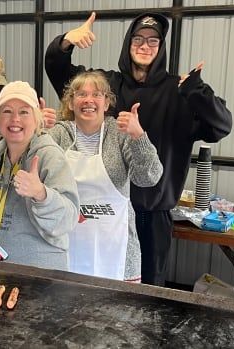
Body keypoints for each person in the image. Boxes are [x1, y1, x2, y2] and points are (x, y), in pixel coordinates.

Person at [45, 12, 232, 285]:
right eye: (138, 39)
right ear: (128, 43)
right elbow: (66, 80)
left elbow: (221, 126)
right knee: (85, 290)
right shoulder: (108, 84)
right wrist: (64, 44)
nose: (145, 46)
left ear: (162, 47)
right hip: (99, 217)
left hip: (154, 216)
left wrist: (197, 91)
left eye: (153, 41)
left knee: (149, 297)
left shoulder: (179, 91)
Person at [48, 71, 162, 282]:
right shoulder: (58, 135)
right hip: (66, 252)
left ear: (107, 102)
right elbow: (30, 172)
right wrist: (35, 131)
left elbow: (149, 178)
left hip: (117, 255)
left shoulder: (121, 134)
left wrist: (139, 136)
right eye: (81, 94)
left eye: (97, 94)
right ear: (71, 103)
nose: (89, 100)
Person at [0, 81, 79, 271]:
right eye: (7, 111)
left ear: (36, 118)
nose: (15, 119)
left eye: (24, 112)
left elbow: (69, 218)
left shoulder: (50, 156)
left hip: (43, 274)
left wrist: (41, 194)